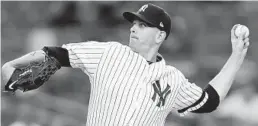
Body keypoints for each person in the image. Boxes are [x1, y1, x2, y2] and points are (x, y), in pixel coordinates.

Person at [1, 3, 250, 126]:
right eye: (134, 23)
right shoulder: (109, 52)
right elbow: (55, 54)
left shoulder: (172, 78)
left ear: (160, 36)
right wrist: (12, 63)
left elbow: (210, 101)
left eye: (143, 25)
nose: (133, 28)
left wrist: (237, 56)